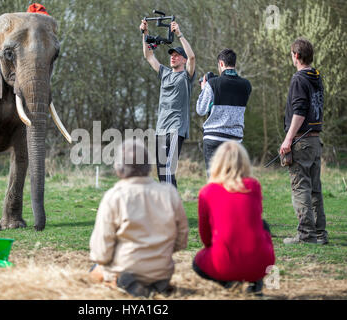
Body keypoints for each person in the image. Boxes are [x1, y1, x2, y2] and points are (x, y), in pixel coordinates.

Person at [89, 139, 189, 297]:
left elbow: (101, 252)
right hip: (161, 272)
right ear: (149, 166)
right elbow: (182, 239)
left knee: (93, 273)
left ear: (118, 168)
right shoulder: (170, 193)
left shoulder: (114, 197)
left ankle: (126, 284)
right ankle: (154, 285)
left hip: (125, 270)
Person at [193, 141, 275, 296]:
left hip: (223, 262)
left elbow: (205, 236)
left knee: (197, 263)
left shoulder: (207, 192)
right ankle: (256, 282)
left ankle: (229, 283)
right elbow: (254, 218)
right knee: (263, 224)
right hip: (261, 263)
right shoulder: (253, 186)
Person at [280, 38, 328, 245]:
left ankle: (307, 235)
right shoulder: (316, 77)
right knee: (315, 189)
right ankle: (320, 234)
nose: (292, 58)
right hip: (316, 141)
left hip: (302, 140)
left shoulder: (299, 78)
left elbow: (299, 112)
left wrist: (287, 140)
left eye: (292, 54)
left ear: (297, 56)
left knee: (301, 188)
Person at [139, 19, 196, 188]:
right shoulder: (164, 73)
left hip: (176, 128)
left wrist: (179, 34)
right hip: (161, 128)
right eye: (172, 55)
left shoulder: (186, 76)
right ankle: (171, 205)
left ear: (183, 60)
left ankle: (170, 208)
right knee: (161, 170)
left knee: (168, 169)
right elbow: (149, 55)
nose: (173, 57)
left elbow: (192, 56)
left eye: (177, 55)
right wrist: (145, 34)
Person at [196, 49, 251, 175]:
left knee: (214, 181)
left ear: (221, 63)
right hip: (235, 140)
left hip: (214, 138)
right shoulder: (246, 85)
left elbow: (200, 109)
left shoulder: (212, 84)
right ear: (234, 64)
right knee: (232, 180)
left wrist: (204, 90)